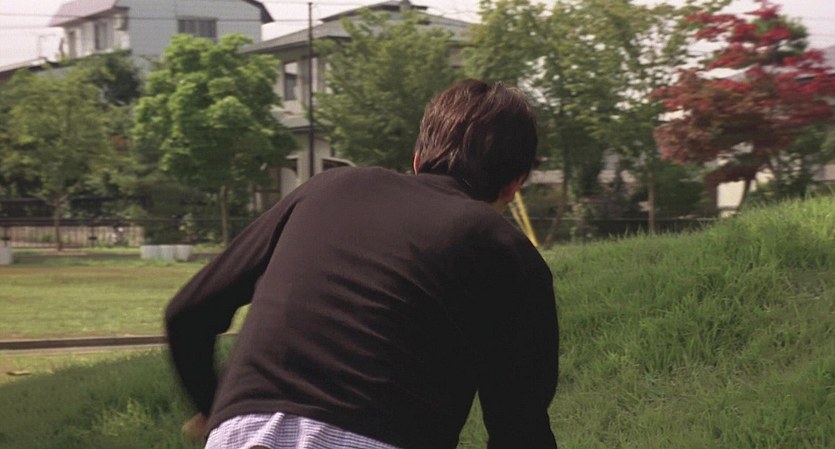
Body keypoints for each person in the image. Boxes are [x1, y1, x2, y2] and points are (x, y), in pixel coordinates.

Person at [165, 78, 560, 449]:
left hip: (242, 433)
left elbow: (188, 313)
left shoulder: (327, 189)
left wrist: (213, 409)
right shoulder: (506, 251)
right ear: (514, 184)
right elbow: (518, 427)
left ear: (418, 158)